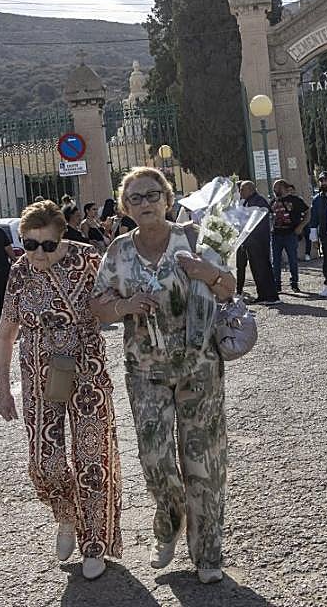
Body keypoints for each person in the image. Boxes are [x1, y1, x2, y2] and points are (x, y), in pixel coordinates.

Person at [89, 167, 236, 585]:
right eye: (135, 198)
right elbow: (98, 305)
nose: (146, 203)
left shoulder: (196, 237)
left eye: (153, 194)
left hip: (199, 367)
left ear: (169, 199)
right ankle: (169, 524)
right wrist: (126, 306)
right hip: (146, 371)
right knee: (156, 459)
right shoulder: (118, 251)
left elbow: (229, 290)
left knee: (204, 461)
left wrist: (206, 273)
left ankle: (207, 553)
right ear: (125, 207)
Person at [0, 201, 122, 581]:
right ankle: (65, 514)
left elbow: (111, 306)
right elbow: (5, 330)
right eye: (30, 244)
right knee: (43, 461)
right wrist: (4, 390)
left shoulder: (87, 260)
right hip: (37, 376)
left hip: (86, 373)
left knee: (92, 458)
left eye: (47, 245)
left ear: (61, 236)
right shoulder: (19, 271)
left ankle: (94, 543)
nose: (38, 253)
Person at [234, 180, 279, 304]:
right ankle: (263, 295)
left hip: (259, 241)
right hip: (251, 242)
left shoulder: (259, 201)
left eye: (242, 189)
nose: (240, 192)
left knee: (262, 268)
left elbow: (257, 219)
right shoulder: (248, 202)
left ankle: (270, 296)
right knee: (256, 269)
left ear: (250, 189)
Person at [270, 179, 310, 293]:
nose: (274, 189)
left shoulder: (295, 200)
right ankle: (277, 284)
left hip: (290, 234)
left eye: (276, 187)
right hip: (276, 235)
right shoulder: (273, 201)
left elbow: (308, 212)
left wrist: (301, 226)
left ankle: (294, 283)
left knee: (292, 260)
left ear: (282, 187)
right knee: (276, 262)